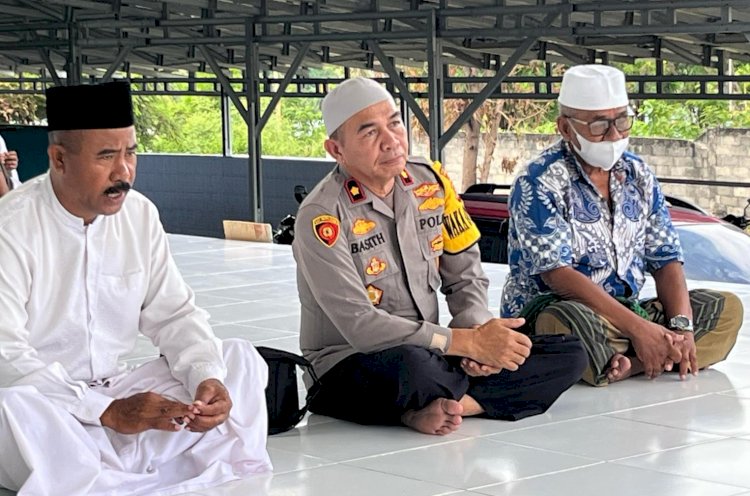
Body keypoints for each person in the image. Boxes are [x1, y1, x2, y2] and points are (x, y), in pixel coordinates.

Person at [0, 81, 272, 495]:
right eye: (106, 156)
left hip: (114, 390)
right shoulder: (12, 225)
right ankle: (137, 461)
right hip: (47, 401)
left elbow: (175, 314)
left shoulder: (139, 215)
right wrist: (104, 411)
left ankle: (114, 466)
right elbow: (7, 356)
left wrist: (205, 377)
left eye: (130, 153)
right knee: (15, 410)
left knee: (237, 359)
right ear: (58, 159)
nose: (123, 172)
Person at [293, 77, 587, 436]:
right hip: (354, 361)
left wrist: (476, 335)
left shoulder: (430, 181)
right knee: (416, 369)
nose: (391, 140)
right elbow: (360, 326)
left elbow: (466, 273)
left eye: (395, 123)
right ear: (336, 150)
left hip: (435, 349)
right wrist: (466, 344)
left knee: (569, 352)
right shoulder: (322, 215)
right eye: (369, 133)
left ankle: (449, 407)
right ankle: (442, 401)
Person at [501, 64, 743, 386]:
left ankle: (638, 360)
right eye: (600, 125)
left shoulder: (639, 175)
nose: (614, 136)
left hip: (627, 313)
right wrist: (640, 329)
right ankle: (650, 351)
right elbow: (557, 275)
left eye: (622, 121)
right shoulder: (539, 180)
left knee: (725, 308)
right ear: (564, 127)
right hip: (565, 311)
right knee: (561, 322)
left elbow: (666, 257)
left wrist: (681, 328)